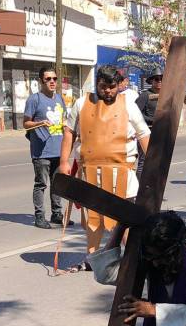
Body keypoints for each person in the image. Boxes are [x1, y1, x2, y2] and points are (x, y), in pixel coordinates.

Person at [59, 65, 151, 266]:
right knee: (93, 219)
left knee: (123, 219)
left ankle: (132, 260)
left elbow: (144, 134)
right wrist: (64, 162)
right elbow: (69, 132)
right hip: (90, 171)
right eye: (103, 87)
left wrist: (153, 166)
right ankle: (92, 258)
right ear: (96, 85)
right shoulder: (81, 103)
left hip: (121, 173)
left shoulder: (128, 104)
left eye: (112, 86)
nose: (108, 91)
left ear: (118, 85)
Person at [23, 67, 72, 229]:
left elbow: (64, 120)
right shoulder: (34, 99)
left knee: (57, 183)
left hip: (58, 149)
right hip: (41, 150)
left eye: (54, 79)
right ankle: (39, 216)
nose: (52, 82)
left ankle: (56, 214)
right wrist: (40, 123)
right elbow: (26, 123)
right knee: (41, 184)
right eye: (48, 79)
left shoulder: (59, 98)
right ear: (41, 81)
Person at [135, 67, 162, 178]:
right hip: (146, 132)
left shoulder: (165, 95)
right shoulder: (145, 95)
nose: (159, 81)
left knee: (158, 163)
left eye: (161, 79)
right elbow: (135, 113)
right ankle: (139, 192)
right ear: (151, 81)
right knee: (143, 162)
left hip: (160, 132)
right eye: (156, 79)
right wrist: (153, 120)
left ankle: (152, 191)